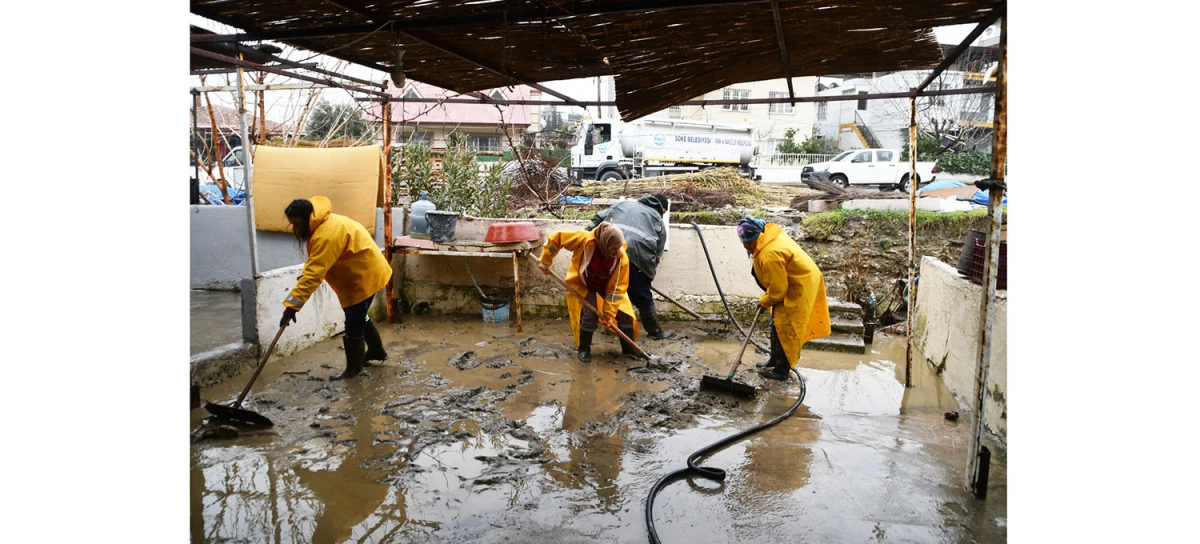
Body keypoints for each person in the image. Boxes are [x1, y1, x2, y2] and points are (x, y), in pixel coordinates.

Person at [280, 196, 393, 380]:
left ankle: (354, 370)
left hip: (363, 276)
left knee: (353, 323)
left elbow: (313, 274)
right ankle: (376, 351)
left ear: (308, 218)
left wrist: (292, 306)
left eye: (297, 224)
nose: (295, 229)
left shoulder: (325, 235)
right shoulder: (323, 223)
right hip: (365, 270)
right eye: (292, 224)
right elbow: (316, 266)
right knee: (360, 316)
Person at [737, 216, 832, 381]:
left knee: (786, 329)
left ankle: (781, 371)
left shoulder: (769, 254)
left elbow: (778, 292)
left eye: (748, 242)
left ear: (755, 238)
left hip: (800, 286)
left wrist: (764, 301)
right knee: (774, 323)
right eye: (743, 242)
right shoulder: (765, 238)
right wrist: (768, 299)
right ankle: (774, 360)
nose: (745, 246)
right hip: (791, 281)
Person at [538, 221, 642, 362]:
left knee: (625, 315)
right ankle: (584, 349)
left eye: (619, 248)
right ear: (605, 243)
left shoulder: (621, 258)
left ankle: (629, 350)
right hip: (584, 284)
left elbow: (617, 289)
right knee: (589, 315)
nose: (617, 252)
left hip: (607, 286)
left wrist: (609, 313)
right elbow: (557, 238)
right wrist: (546, 260)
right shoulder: (584, 239)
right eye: (613, 248)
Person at [586, 194, 675, 340]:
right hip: (637, 259)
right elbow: (657, 254)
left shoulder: (624, 205)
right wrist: (645, 278)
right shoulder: (658, 220)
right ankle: (655, 332)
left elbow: (597, 218)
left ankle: (610, 325)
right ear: (662, 208)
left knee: (611, 289)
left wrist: (585, 238)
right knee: (642, 295)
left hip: (608, 252)